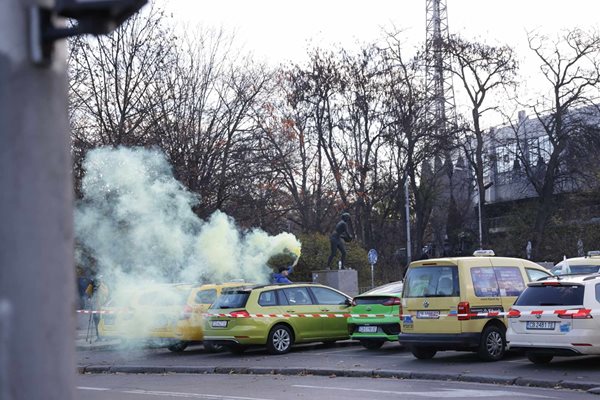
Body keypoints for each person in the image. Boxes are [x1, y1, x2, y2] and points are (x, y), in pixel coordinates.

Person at [85, 275, 109, 342]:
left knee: (99, 322)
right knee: (98, 321)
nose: (98, 281)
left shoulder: (100, 285)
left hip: (99, 306)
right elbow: (87, 292)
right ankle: (99, 336)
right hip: (97, 306)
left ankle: (100, 336)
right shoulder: (95, 285)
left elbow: (106, 294)